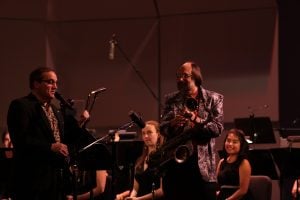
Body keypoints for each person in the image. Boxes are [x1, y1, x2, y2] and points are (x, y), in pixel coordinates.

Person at [7, 67, 90, 200]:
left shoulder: (55, 110)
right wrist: (50, 146)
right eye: (50, 82)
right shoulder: (21, 105)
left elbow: (65, 139)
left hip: (55, 182)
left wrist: (80, 124)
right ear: (36, 84)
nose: (55, 86)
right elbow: (21, 140)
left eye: (56, 83)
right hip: (31, 180)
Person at [159, 60, 224, 200]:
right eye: (178, 76)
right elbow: (162, 128)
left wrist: (196, 119)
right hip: (176, 166)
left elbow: (217, 128)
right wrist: (172, 123)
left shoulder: (214, 99)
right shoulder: (171, 99)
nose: (180, 79)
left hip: (202, 168)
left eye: (185, 76)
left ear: (195, 76)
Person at [115, 120, 165, 200]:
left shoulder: (163, 158)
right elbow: (135, 188)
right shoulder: (140, 160)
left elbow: (162, 191)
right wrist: (131, 198)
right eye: (143, 133)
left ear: (158, 134)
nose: (145, 136)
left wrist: (139, 199)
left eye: (149, 132)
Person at [216, 128, 252, 200]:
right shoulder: (222, 162)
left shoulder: (244, 163)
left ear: (241, 145)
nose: (230, 144)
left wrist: (228, 199)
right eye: (228, 140)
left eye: (235, 142)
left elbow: (243, 190)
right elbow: (217, 185)